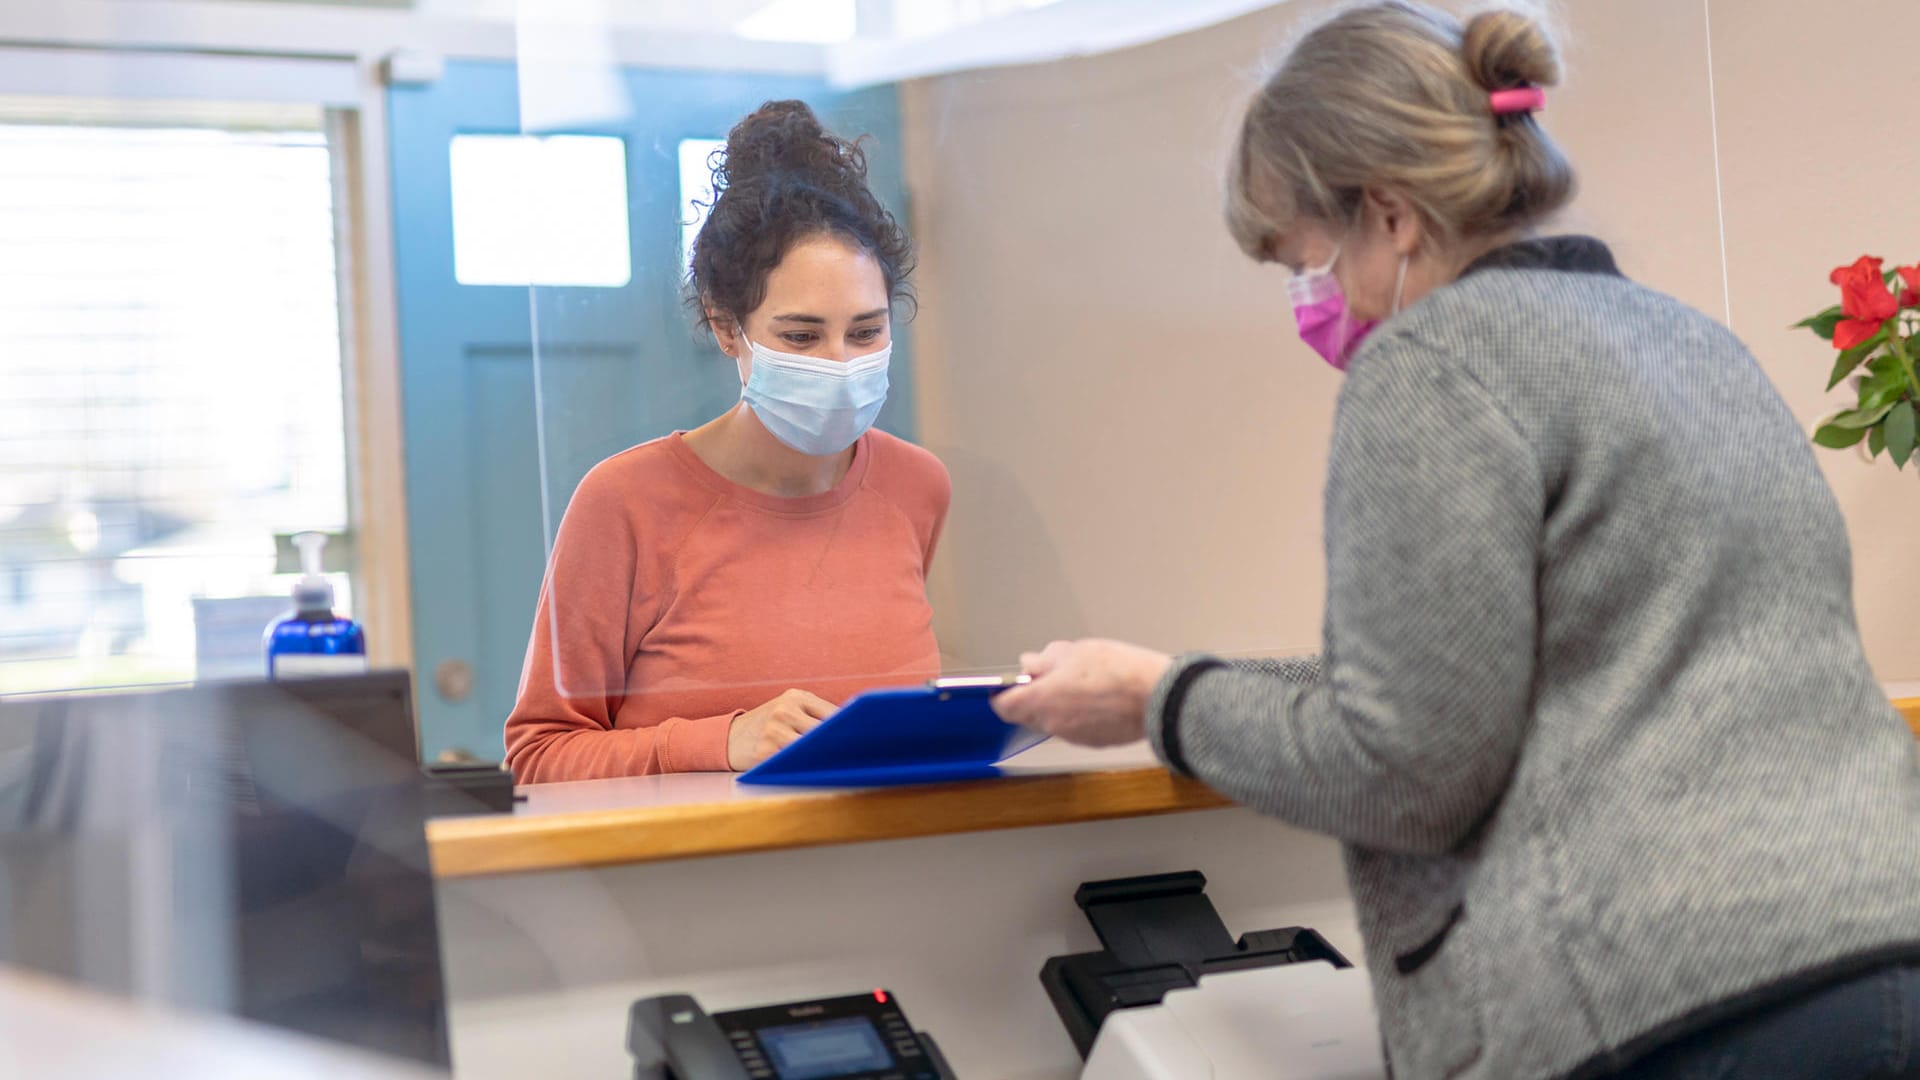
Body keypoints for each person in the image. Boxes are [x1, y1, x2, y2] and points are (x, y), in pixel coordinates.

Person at [991, 4, 1920, 1077]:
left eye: (1309, 262)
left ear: (1389, 215)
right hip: (1878, 945)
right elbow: (1531, 674)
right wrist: (1199, 680)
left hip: (1670, 1000)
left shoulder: (1432, 364)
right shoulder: (1690, 342)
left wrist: (1163, 703)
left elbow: (1409, 769)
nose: (1317, 303)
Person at [504, 100, 950, 782]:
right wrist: (721, 741)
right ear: (724, 326)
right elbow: (538, 754)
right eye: (801, 336)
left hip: (892, 874)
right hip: (698, 885)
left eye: (865, 332)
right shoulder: (625, 503)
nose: (839, 363)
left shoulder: (918, 488)